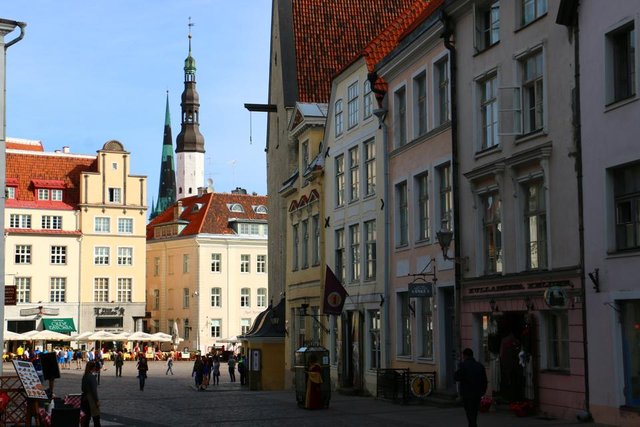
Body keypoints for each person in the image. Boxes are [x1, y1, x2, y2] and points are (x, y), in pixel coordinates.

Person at [454, 348, 488, 427]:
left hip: (467, 393)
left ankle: (473, 425)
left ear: (465, 355)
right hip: (477, 392)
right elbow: (484, 380)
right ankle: (472, 424)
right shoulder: (479, 365)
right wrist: (483, 391)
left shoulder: (463, 365)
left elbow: (456, 377)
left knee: (469, 411)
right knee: (474, 410)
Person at [81, 360, 101, 427]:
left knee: (87, 418)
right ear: (93, 368)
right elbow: (94, 391)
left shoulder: (85, 376)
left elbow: (82, 388)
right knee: (96, 418)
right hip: (91, 399)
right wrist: (97, 400)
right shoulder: (92, 377)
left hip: (84, 398)